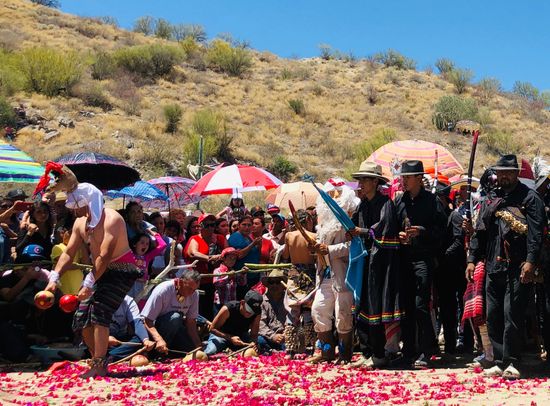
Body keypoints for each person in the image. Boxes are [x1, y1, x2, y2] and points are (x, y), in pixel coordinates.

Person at [43, 168, 142, 378]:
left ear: (87, 202)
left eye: (76, 207)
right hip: (99, 271)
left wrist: (88, 284)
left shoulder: (112, 219)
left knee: (99, 312)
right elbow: (68, 253)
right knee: (81, 317)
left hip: (122, 270)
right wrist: (54, 278)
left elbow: (105, 255)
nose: (74, 212)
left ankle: (99, 363)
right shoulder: (79, 223)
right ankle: (100, 358)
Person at [467, 155, 545, 379]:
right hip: (493, 265)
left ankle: (513, 361)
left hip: (519, 266)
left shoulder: (530, 198)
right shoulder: (492, 198)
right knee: (493, 315)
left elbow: (536, 234)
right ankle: (499, 361)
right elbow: (480, 231)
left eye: (508, 172)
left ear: (516, 173)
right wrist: (472, 258)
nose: (503, 176)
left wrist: (530, 261)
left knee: (512, 314)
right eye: (500, 172)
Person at [349, 162, 403, 369]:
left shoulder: (385, 204)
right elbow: (355, 226)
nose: (360, 184)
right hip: (364, 260)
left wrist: (360, 232)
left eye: (364, 180)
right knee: (361, 304)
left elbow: (383, 231)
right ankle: (366, 351)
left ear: (375, 182)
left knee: (375, 306)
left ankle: (379, 354)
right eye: (359, 180)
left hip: (380, 265)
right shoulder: (362, 205)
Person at [394, 160, 447, 368]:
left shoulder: (432, 202)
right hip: (404, 258)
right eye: (403, 177)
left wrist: (422, 232)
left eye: (407, 177)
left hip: (423, 258)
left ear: (418, 178)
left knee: (420, 305)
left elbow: (442, 231)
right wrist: (398, 235)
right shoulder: (400, 202)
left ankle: (427, 350)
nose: (404, 181)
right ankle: (409, 351)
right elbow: (392, 226)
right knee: (406, 305)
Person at [309, 178, 359, 364]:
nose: (333, 197)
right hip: (325, 275)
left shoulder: (351, 216)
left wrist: (329, 250)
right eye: (329, 194)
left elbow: (354, 245)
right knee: (318, 311)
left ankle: (345, 356)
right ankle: (327, 352)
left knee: (343, 316)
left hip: (344, 274)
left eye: (337, 194)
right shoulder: (322, 220)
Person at [281, 209, 317, 358]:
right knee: (308, 310)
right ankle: (310, 347)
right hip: (309, 274)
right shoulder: (314, 236)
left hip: (295, 274)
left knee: (292, 311)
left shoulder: (289, 236)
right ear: (307, 220)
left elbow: (285, 255)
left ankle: (290, 349)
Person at [141, 271, 203, 355]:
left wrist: (198, 345)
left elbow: (191, 322)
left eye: (194, 289)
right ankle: (156, 352)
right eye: (189, 289)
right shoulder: (163, 290)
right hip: (156, 330)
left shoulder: (194, 294)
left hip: (177, 328)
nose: (191, 293)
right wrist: (159, 340)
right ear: (180, 282)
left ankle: (169, 350)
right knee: (175, 317)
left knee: (191, 350)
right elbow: (147, 320)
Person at [184, 213, 227, 321]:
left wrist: (219, 252)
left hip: (214, 282)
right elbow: (193, 253)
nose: (210, 228)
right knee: (195, 311)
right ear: (200, 226)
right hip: (195, 282)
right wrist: (209, 258)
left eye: (212, 225)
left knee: (211, 312)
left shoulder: (220, 239)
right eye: (207, 225)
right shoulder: (194, 239)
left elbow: (228, 253)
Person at [204, 290, 263, 355]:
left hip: (241, 337)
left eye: (253, 311)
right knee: (210, 352)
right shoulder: (228, 309)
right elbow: (212, 329)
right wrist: (230, 338)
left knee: (257, 349)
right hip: (221, 335)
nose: (250, 314)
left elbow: (254, 334)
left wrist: (253, 342)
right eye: (249, 310)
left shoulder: (257, 313)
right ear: (242, 303)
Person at [108, 295, 156, 361]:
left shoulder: (128, 300)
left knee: (140, 339)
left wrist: (146, 340)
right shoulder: (100, 299)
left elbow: (137, 323)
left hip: (120, 340)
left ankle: (110, 356)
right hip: (100, 339)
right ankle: (112, 355)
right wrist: (104, 338)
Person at [51, 225, 91, 296]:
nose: (73, 236)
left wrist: (81, 244)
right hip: (63, 289)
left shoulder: (77, 249)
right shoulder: (58, 247)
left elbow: (87, 263)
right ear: (63, 234)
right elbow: (64, 265)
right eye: (70, 233)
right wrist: (80, 267)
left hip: (78, 289)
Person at [228, 215, 262, 293]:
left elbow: (257, 255)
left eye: (249, 225)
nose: (247, 227)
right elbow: (238, 255)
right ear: (239, 225)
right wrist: (253, 244)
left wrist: (259, 246)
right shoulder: (235, 237)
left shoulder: (249, 237)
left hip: (253, 276)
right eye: (244, 224)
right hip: (242, 278)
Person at [258, 269, 287, 353]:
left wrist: (287, 333)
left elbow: (293, 319)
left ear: (282, 285)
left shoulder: (288, 299)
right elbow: (261, 324)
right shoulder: (262, 301)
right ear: (268, 285)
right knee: (259, 340)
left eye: (278, 282)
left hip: (285, 336)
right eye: (271, 282)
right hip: (268, 337)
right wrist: (273, 336)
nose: (274, 285)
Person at [213, 247, 246, 314]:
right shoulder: (218, 270)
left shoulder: (234, 271)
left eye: (234, 259)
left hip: (232, 303)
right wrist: (228, 277)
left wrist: (243, 274)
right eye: (230, 258)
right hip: (220, 304)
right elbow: (216, 283)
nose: (232, 261)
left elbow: (242, 283)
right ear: (223, 258)